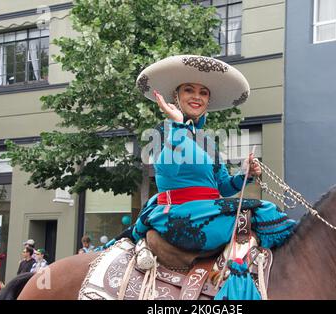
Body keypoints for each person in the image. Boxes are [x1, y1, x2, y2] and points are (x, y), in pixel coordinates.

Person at [123, 55, 297, 253]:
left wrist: (245, 174)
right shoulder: (164, 130)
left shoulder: (206, 141)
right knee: (265, 212)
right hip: (179, 213)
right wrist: (179, 124)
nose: (197, 96)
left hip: (210, 208)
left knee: (265, 213)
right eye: (189, 90)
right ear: (175, 96)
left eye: (203, 93)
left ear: (208, 101)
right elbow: (167, 172)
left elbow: (223, 186)